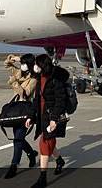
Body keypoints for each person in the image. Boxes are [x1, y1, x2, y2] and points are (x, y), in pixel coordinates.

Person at [28, 54, 70, 188]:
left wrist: (54, 119)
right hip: (42, 117)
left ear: (43, 65)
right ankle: (59, 160)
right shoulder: (40, 78)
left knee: (44, 144)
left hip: (51, 117)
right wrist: (31, 116)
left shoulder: (55, 80)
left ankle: (43, 177)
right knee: (49, 142)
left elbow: (60, 100)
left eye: (37, 64)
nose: (35, 66)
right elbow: (36, 100)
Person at [3, 53, 39, 179]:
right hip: (15, 108)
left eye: (24, 64)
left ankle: (14, 165)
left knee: (18, 139)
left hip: (26, 111)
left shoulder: (34, 79)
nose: (22, 66)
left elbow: (26, 93)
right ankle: (31, 153)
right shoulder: (19, 73)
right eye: (21, 64)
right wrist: (16, 59)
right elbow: (6, 64)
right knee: (19, 138)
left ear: (29, 65)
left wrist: (14, 83)